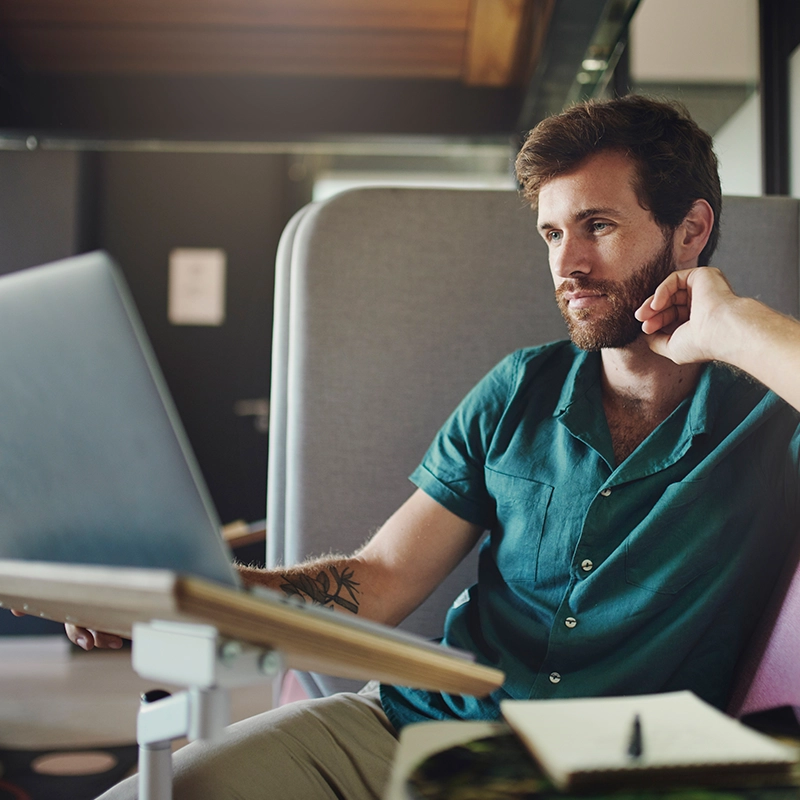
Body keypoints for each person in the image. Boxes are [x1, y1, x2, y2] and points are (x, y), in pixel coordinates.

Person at [76, 95, 800, 798]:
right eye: (552, 234)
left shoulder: (770, 412)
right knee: (164, 792)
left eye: (597, 225)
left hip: (622, 765)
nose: (567, 263)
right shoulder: (520, 388)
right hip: (425, 732)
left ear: (690, 230)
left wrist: (731, 325)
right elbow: (380, 581)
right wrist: (193, 596)